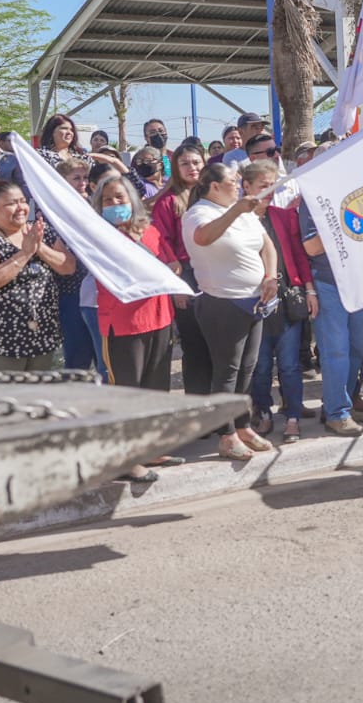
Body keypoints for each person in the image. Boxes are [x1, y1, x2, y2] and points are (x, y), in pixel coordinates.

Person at [185, 162, 278, 460]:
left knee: (247, 369)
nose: (237, 185)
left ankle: (242, 425)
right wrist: (236, 210)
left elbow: (267, 246)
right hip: (222, 302)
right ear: (214, 186)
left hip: (255, 301)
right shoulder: (198, 212)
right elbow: (203, 237)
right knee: (227, 371)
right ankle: (225, 434)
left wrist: (270, 276)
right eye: (232, 181)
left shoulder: (246, 212)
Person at [91, 172, 181, 481]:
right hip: (122, 324)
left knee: (155, 389)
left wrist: (172, 268)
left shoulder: (151, 231)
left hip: (160, 318)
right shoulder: (99, 237)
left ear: (133, 200)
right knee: (127, 392)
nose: (114, 203)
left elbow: (171, 263)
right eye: (107, 200)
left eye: (120, 198)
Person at [0, 180, 76, 370]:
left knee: (37, 395)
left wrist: (38, 247)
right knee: (9, 395)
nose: (20, 208)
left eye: (22, 201)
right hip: (4, 341)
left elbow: (68, 267)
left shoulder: (39, 232)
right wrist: (24, 253)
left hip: (43, 335)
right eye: (11, 203)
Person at [299, 164, 363, 436]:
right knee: (336, 350)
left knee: (355, 349)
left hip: (358, 282)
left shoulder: (361, 195)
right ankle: (336, 412)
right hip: (329, 283)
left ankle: (340, 400)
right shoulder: (312, 199)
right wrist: (343, 220)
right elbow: (311, 246)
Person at [245, 160, 313, 444]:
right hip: (252, 304)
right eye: (263, 186)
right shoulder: (237, 220)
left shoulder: (283, 217)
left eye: (272, 185)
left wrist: (310, 290)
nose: (269, 192)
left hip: (286, 301)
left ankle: (293, 417)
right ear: (246, 187)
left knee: (289, 365)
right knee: (260, 366)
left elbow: (298, 255)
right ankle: (263, 413)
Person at [151, 144, 212, 395]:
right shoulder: (167, 201)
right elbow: (161, 242)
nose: (192, 168)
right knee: (194, 345)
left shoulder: (214, 194)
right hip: (185, 274)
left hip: (215, 271)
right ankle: (198, 404)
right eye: (185, 163)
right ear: (176, 167)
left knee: (218, 345)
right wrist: (176, 284)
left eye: (196, 162)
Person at [53, 158, 99, 375]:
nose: (82, 182)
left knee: (103, 359)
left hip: (98, 290)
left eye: (85, 177)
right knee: (77, 358)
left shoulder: (97, 205)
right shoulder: (54, 210)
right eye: (76, 178)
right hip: (71, 291)